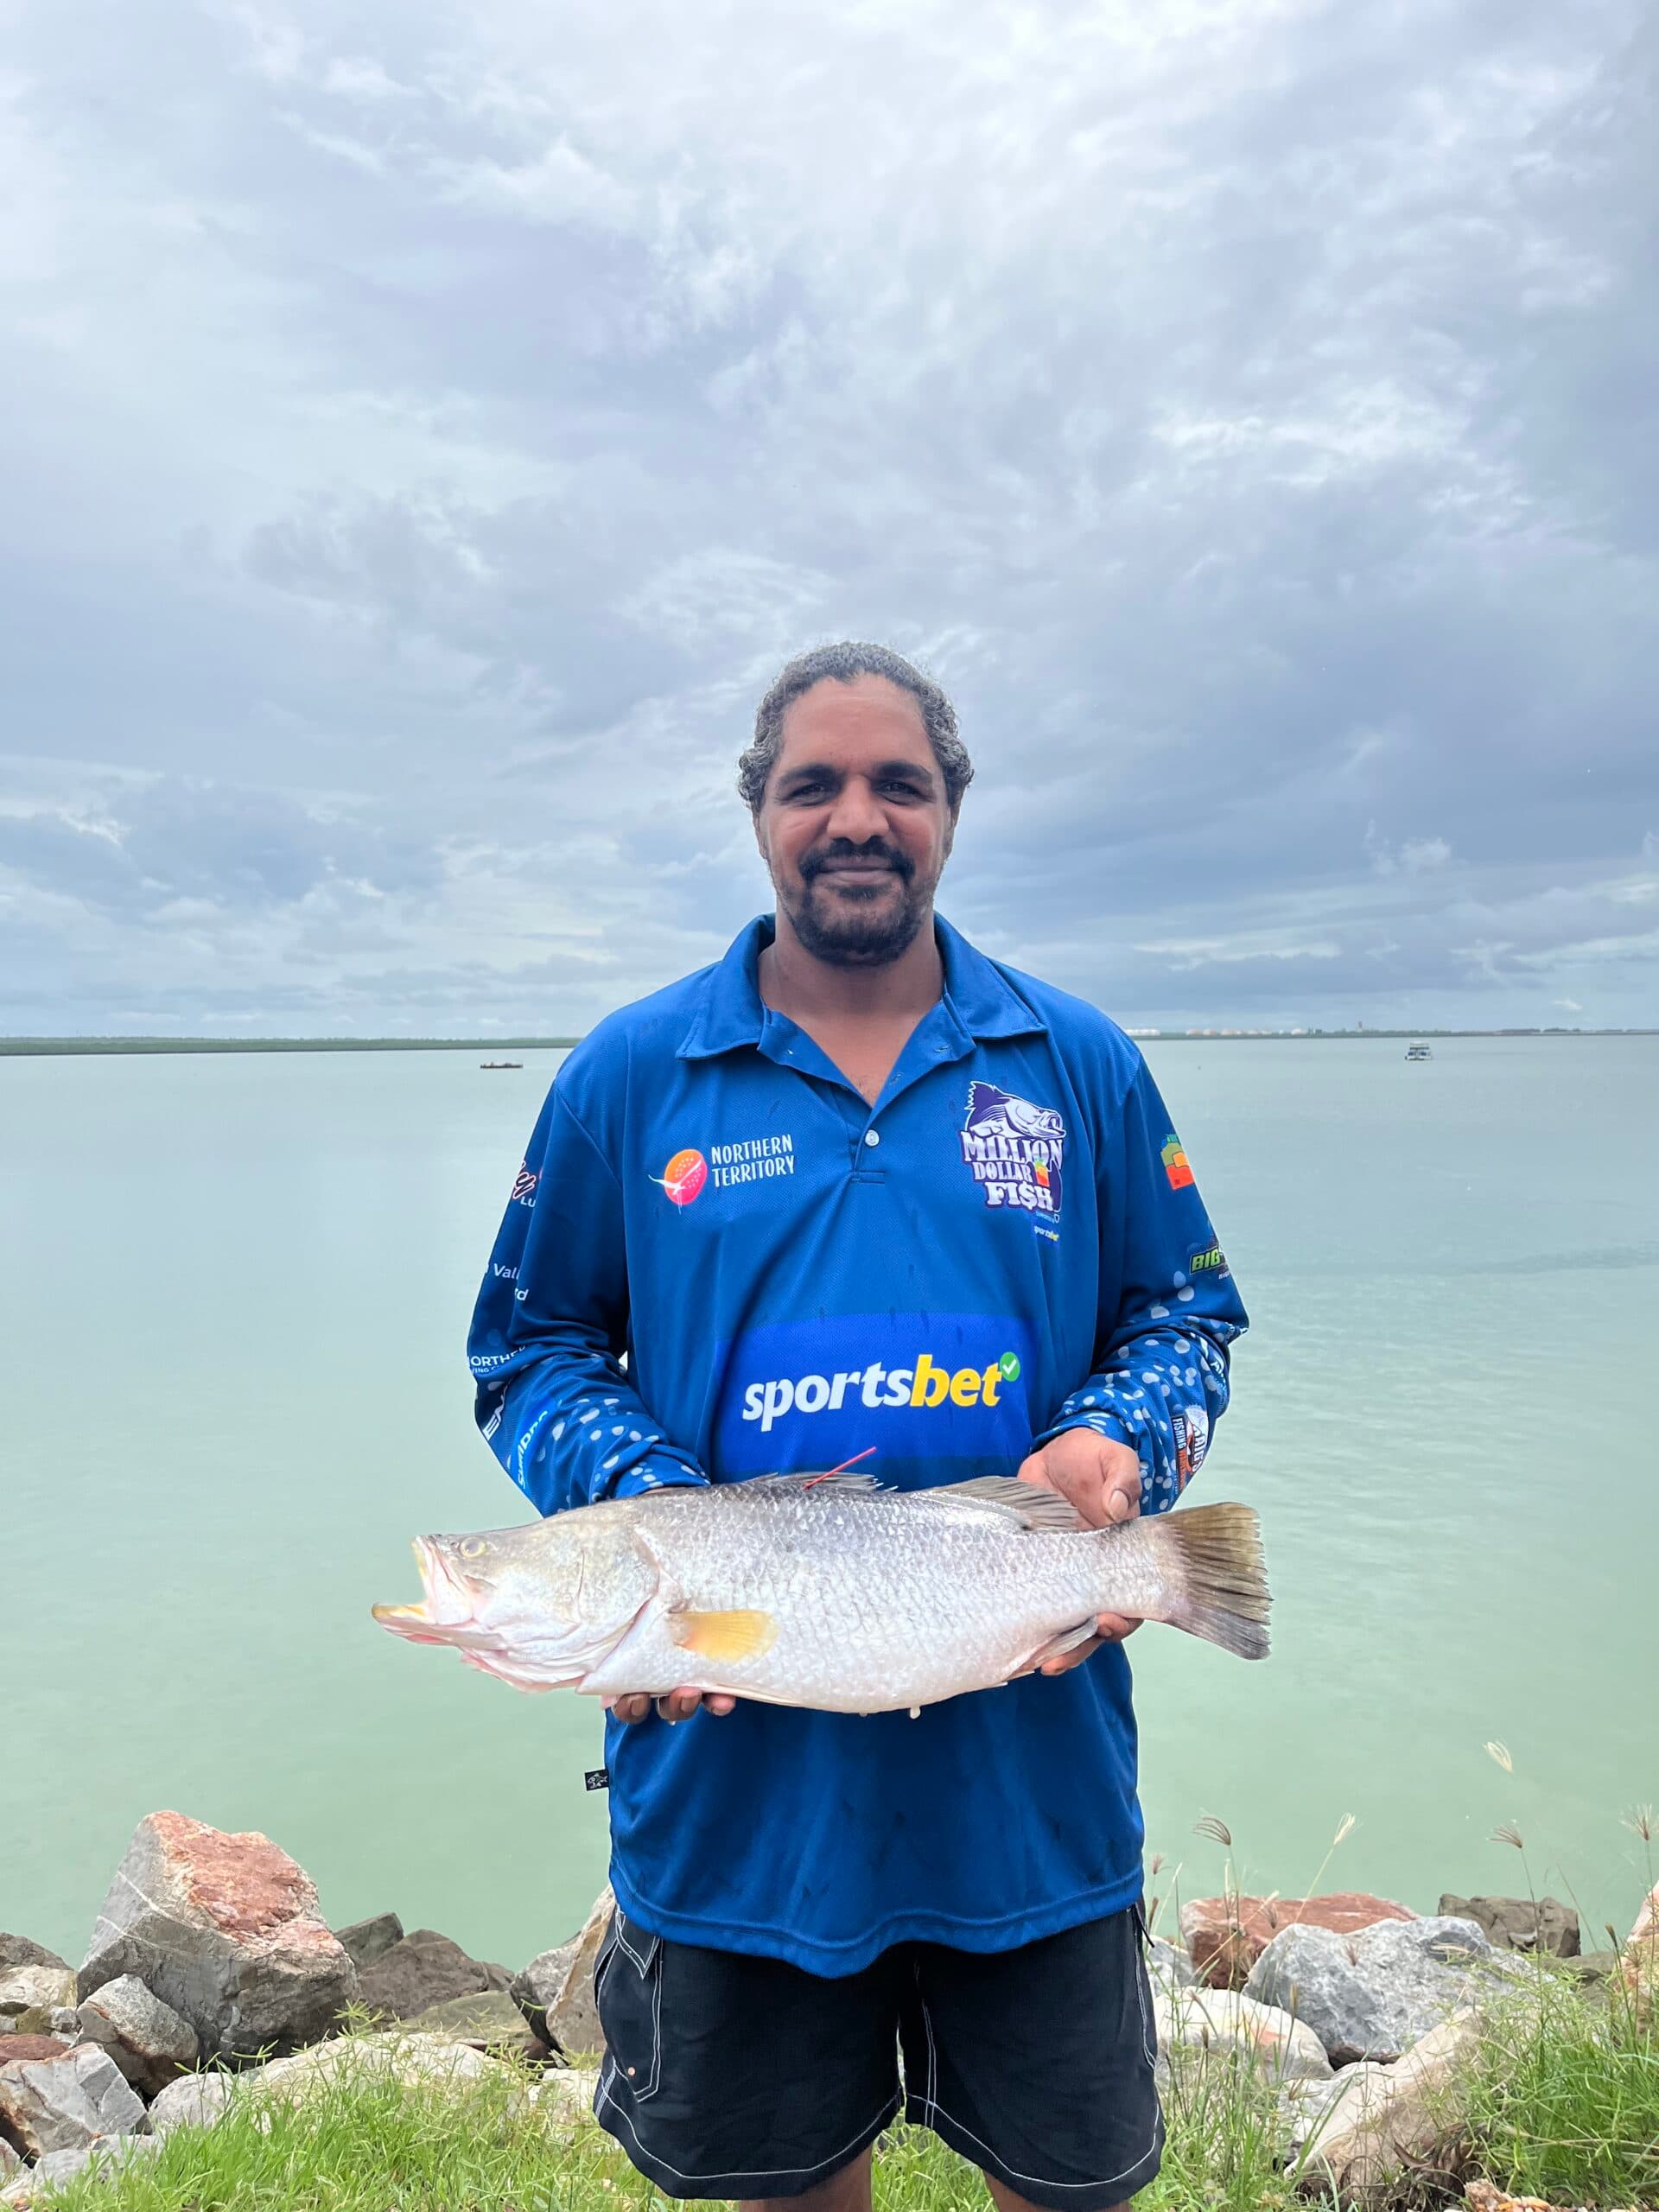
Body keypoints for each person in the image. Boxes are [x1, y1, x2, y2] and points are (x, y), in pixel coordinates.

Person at [468, 641, 1248, 2212]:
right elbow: (529, 1345)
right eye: (813, 783)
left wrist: (1125, 1451)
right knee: (785, 2185)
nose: (857, 817)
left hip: (1032, 1787)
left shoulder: (1075, 1063)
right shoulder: (635, 1074)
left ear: (951, 809)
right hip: (742, 1809)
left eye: (899, 782)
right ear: (759, 811)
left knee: (1072, 2187)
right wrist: (655, 1513)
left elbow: (1187, 1315)